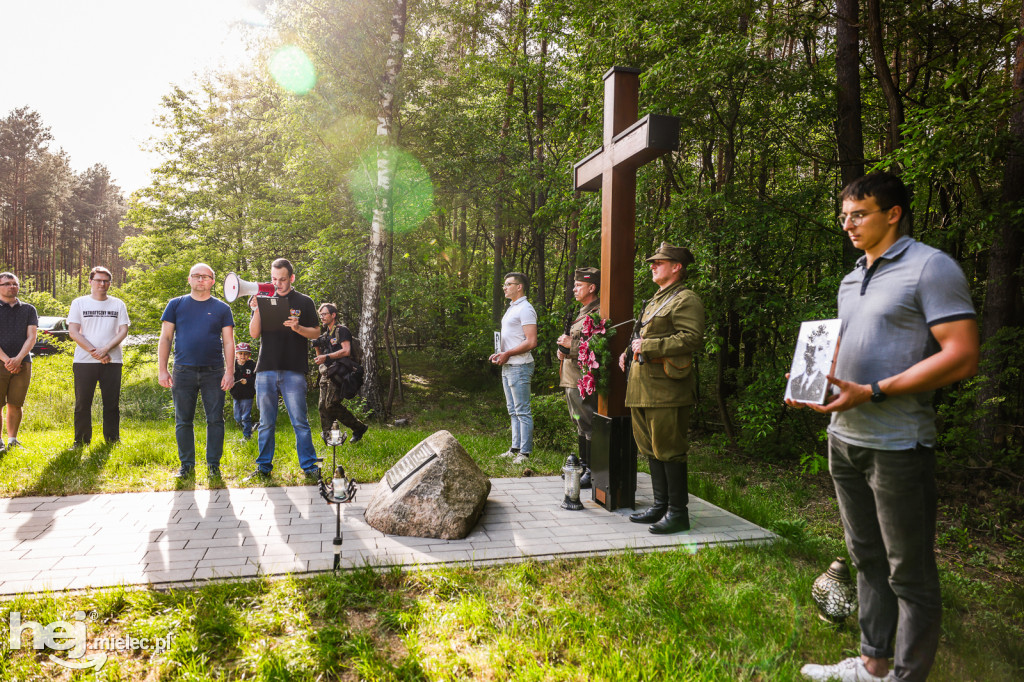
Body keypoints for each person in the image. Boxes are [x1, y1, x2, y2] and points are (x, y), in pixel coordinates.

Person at [790, 172, 979, 682]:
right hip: (844, 438)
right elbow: (852, 354)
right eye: (844, 216)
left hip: (898, 443)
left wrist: (873, 390)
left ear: (892, 213)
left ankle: (906, 676)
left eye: (860, 214)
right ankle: (873, 665)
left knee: (908, 572)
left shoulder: (930, 267)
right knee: (865, 556)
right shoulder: (852, 277)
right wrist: (816, 383)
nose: (848, 224)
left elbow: (961, 356)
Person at [618, 243, 705, 534]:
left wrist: (650, 346)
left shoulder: (685, 299)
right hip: (643, 386)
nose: (653, 266)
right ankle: (660, 506)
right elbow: (642, 333)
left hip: (668, 389)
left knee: (669, 449)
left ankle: (678, 513)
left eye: (659, 262)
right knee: (651, 449)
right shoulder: (656, 300)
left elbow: (691, 338)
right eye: (652, 262)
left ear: (677, 266)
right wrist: (629, 352)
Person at [158, 264, 235, 479]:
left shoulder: (222, 308)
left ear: (212, 281)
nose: (201, 280)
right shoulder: (175, 305)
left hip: (214, 371)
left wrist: (230, 372)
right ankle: (187, 465)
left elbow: (229, 343)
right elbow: (165, 338)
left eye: (205, 277)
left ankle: (213, 466)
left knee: (215, 420)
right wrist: (162, 370)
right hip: (183, 371)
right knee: (183, 420)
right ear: (189, 279)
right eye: (196, 276)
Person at [247, 258, 321, 482]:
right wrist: (257, 310)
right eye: (273, 279)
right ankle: (263, 468)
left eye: (281, 279)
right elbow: (253, 334)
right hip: (266, 369)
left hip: (293, 370)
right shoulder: (263, 298)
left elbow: (316, 333)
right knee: (266, 422)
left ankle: (309, 467)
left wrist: (298, 328)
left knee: (300, 422)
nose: (277, 283)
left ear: (292, 278)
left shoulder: (304, 301)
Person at [67, 266, 130, 445]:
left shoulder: (118, 304)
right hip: (84, 361)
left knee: (111, 404)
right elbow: (73, 332)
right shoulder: (79, 303)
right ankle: (81, 441)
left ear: (110, 283)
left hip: (113, 360)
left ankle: (112, 440)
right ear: (90, 282)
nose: (102, 284)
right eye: (98, 280)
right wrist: (95, 352)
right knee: (82, 404)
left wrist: (105, 350)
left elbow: (123, 330)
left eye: (106, 281)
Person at [556, 267, 601, 487]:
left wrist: (571, 346)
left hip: (583, 380)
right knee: (579, 423)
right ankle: (584, 465)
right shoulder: (582, 312)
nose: (574, 289)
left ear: (592, 287)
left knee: (587, 422)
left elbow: (598, 346)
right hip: (572, 377)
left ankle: (592, 471)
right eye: (574, 285)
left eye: (579, 285)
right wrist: (564, 349)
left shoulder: (597, 312)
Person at [489, 272, 538, 465]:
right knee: (512, 410)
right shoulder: (512, 308)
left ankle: (524, 453)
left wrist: (508, 353)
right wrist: (500, 353)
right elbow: (512, 338)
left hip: (520, 366)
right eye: (504, 284)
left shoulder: (525, 309)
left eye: (509, 284)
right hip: (508, 365)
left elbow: (531, 341)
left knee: (522, 410)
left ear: (520, 287)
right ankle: (514, 448)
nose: (504, 287)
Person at [314, 302, 368, 445]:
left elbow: (346, 351)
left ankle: (359, 428)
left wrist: (326, 357)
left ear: (333, 315)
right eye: (321, 315)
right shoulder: (326, 334)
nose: (322, 317)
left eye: (325, 314)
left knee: (331, 404)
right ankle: (330, 438)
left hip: (339, 373)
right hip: (326, 372)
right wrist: (317, 347)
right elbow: (320, 358)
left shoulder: (342, 330)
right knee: (322, 406)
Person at [0, 272, 37, 452]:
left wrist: (19, 359)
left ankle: (12, 440)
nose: (11, 286)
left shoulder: (29, 309)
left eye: (14, 284)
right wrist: (7, 360)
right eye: (7, 284)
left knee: (15, 403)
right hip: (1, 361)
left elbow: (32, 337)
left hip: (23, 362)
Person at [788, 327, 831, 403]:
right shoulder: (794, 382)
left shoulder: (825, 383)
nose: (814, 354)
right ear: (806, 352)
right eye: (812, 348)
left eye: (820, 349)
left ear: (825, 354)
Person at [230, 342, 257, 441]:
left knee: (245, 416)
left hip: (247, 396)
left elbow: (257, 379)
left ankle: (247, 436)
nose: (243, 356)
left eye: (245, 354)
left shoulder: (252, 365)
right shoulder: (233, 365)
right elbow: (229, 376)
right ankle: (251, 426)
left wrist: (248, 381)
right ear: (236, 354)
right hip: (236, 395)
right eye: (240, 353)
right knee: (237, 417)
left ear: (249, 355)